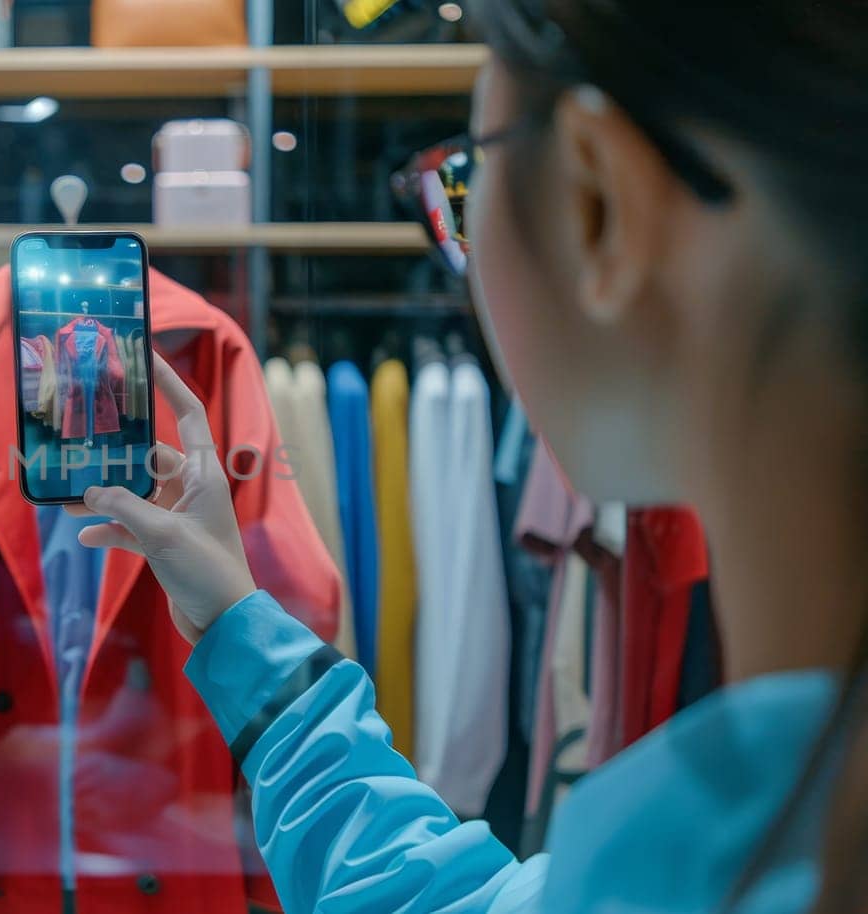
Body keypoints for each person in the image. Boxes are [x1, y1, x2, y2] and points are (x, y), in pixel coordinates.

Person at [68, 1, 868, 911]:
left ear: (597, 201)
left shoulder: (699, 856)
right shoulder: (759, 831)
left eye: (464, 171)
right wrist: (237, 625)